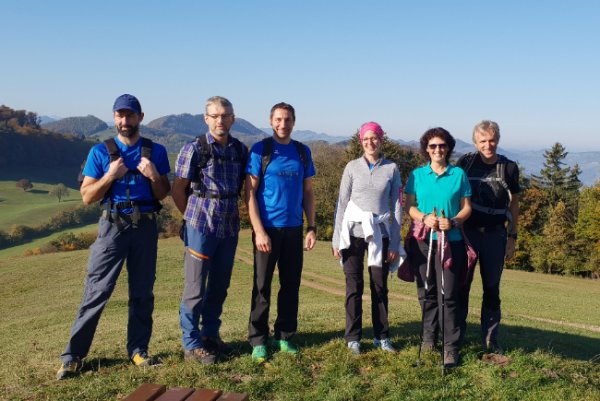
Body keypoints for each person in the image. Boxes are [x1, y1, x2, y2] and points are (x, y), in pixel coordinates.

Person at [57, 94, 171, 380]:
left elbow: (162, 193)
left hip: (145, 226)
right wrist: (110, 176)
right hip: (112, 226)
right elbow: (87, 197)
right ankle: (73, 357)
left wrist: (154, 175)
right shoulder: (100, 152)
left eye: (130, 115)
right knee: (97, 290)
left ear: (140, 118)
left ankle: (138, 350)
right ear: (114, 118)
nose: (125, 121)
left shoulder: (155, 151)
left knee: (142, 292)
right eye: (120, 115)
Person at [171, 96, 248, 365]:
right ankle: (191, 344)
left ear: (233, 119)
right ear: (206, 119)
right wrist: (191, 218)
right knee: (195, 288)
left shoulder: (240, 150)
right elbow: (178, 189)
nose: (220, 120)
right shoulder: (194, 149)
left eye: (225, 115)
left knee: (219, 285)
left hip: (229, 226)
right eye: (215, 116)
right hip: (201, 226)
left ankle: (211, 335)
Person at [246, 102, 316, 363]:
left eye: (287, 119)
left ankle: (284, 335)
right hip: (267, 229)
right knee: (262, 286)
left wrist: (311, 226)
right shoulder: (261, 150)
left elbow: (308, 192)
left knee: (290, 284)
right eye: (278, 119)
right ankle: (258, 340)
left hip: (294, 229)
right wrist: (259, 231)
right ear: (271, 121)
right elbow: (249, 193)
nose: (282, 124)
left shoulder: (302, 151)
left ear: (293, 122)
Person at [331, 122, 403, 355]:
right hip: (352, 234)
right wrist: (336, 239)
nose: (370, 143)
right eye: (365, 139)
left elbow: (397, 207)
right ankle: (353, 338)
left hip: (380, 234)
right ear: (361, 142)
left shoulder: (392, 168)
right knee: (353, 286)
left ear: (381, 140)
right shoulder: (351, 167)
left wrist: (395, 242)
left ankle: (382, 337)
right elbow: (342, 203)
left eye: (374, 138)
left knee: (379, 286)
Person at [404, 127, 472, 369]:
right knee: (427, 293)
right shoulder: (417, 175)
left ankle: (450, 347)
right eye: (432, 146)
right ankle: (428, 340)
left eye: (442, 145)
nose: (437, 150)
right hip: (423, 242)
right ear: (426, 149)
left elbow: (466, 207)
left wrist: (454, 221)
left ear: (448, 148)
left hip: (452, 242)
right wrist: (424, 218)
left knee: (450, 295)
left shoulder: (458, 174)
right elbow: (409, 206)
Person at [457, 120, 520, 354]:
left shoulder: (509, 167)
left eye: (492, 140)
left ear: (498, 140)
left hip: (495, 235)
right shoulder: (466, 163)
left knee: (492, 288)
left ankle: (491, 339)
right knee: (461, 286)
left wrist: (512, 237)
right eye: (482, 141)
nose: (488, 145)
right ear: (475, 142)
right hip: (467, 234)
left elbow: (514, 204)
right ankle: (456, 335)